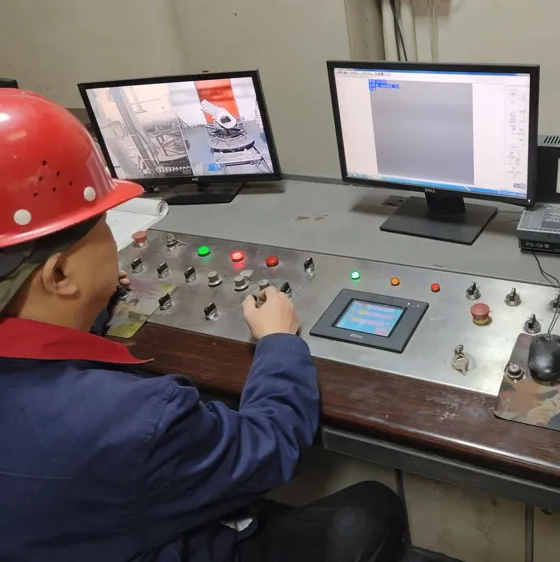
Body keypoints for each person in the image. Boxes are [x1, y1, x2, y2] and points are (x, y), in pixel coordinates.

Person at [0, 89, 407, 562]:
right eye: (104, 225)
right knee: (372, 508)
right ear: (59, 275)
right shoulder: (136, 417)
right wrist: (278, 341)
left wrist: (87, 306)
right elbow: (270, 446)